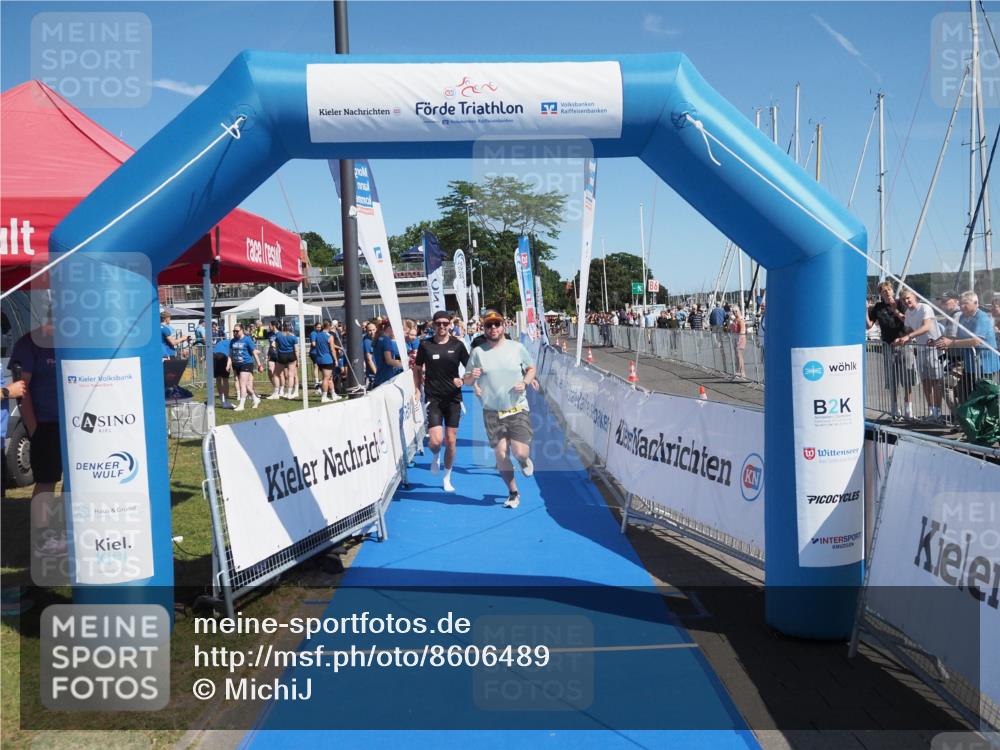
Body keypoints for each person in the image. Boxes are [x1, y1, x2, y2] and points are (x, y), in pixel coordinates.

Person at [464, 309, 536, 510]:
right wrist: (473, 376)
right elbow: (467, 380)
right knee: (500, 453)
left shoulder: (517, 348)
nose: (493, 328)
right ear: (484, 329)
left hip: (517, 407)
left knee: (520, 452)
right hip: (492, 411)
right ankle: (513, 492)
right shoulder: (478, 352)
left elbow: (531, 368)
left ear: (504, 326)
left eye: (497, 324)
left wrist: (526, 382)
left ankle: (523, 460)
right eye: (489, 325)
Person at [415, 311, 471, 493]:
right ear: (433, 325)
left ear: (450, 324)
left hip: (453, 398)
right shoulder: (425, 345)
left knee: (451, 440)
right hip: (434, 398)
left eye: (445, 323)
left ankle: (447, 477)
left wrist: (462, 380)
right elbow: (417, 368)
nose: (442, 326)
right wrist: (417, 388)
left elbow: (470, 369)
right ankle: (436, 455)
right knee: (435, 441)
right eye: (438, 323)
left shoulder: (458, 345)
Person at [933, 291, 1000, 405]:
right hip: (970, 365)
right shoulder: (963, 317)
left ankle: (984, 421)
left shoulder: (982, 318)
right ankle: (962, 419)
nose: (961, 306)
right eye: (961, 304)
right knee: (964, 395)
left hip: (986, 365)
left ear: (975, 303)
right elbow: (958, 337)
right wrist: (939, 341)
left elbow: (976, 341)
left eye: (965, 303)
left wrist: (951, 343)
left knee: (985, 397)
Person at [867, 281, 916, 419]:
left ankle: (908, 410)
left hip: (904, 344)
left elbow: (909, 320)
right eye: (884, 291)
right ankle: (895, 409)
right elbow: (868, 325)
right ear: (880, 294)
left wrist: (896, 309)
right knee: (892, 379)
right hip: (888, 346)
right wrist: (866, 309)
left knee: (907, 378)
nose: (887, 292)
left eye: (888, 290)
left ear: (893, 291)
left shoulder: (901, 303)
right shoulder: (878, 307)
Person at [894, 289, 944, 421]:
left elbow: (927, 326)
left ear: (915, 297)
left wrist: (909, 336)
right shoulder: (907, 313)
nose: (907, 301)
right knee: (926, 382)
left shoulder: (924, 308)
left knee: (936, 382)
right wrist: (902, 339)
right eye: (904, 299)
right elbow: (909, 331)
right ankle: (932, 411)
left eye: (908, 298)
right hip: (921, 349)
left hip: (934, 348)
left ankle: (938, 412)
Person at [229, 324, 263, 411]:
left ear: (242, 330)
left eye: (237, 331)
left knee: (242, 384)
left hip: (246, 363)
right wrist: (228, 364)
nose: (235, 333)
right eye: (234, 331)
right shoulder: (232, 341)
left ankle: (241, 405)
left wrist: (259, 365)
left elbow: (254, 353)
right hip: (237, 364)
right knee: (247, 386)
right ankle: (256, 399)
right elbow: (230, 354)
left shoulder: (247, 340)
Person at [373, 319, 404, 388]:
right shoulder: (386, 340)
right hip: (386, 379)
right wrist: (405, 364)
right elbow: (389, 361)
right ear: (390, 328)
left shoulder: (379, 338)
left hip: (380, 378)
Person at [272, 322, 300, 400]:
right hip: (291, 355)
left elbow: (276, 346)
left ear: (282, 327)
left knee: (276, 374)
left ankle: (277, 392)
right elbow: (296, 350)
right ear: (290, 327)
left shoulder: (278, 336)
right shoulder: (293, 337)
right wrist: (298, 360)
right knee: (291, 375)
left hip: (281, 355)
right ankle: (289, 393)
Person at [311, 320, 337, 402]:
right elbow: (332, 349)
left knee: (329, 378)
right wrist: (335, 359)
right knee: (326, 378)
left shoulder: (318, 335)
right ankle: (324, 396)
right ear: (329, 326)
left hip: (319, 359)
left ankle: (333, 394)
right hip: (327, 359)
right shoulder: (329, 336)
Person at [212, 329, 234, 408]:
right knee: (225, 380)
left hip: (214, 356)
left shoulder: (223, 342)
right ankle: (226, 402)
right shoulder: (233, 343)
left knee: (218, 379)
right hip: (222, 357)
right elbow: (230, 356)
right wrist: (229, 366)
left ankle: (222, 401)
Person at [730, 305, 747, 379]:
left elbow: (742, 331)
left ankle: (738, 372)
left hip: (740, 339)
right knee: (738, 356)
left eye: (735, 311)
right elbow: (730, 328)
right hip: (735, 339)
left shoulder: (740, 320)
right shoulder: (735, 320)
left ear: (738, 311)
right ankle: (742, 372)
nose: (734, 313)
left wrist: (738, 340)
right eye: (733, 312)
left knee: (739, 356)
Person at [265, 321, 281, 398]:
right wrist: (267, 355)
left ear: (274, 326)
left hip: (279, 355)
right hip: (271, 355)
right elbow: (270, 346)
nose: (269, 327)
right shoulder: (270, 334)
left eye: (270, 326)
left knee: (278, 374)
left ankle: (279, 390)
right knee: (270, 371)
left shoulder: (280, 334)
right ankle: (276, 389)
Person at [363, 320, 378, 387]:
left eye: (373, 330)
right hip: (373, 374)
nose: (372, 332)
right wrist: (376, 373)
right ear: (366, 331)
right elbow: (369, 359)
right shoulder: (367, 342)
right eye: (370, 330)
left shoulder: (377, 339)